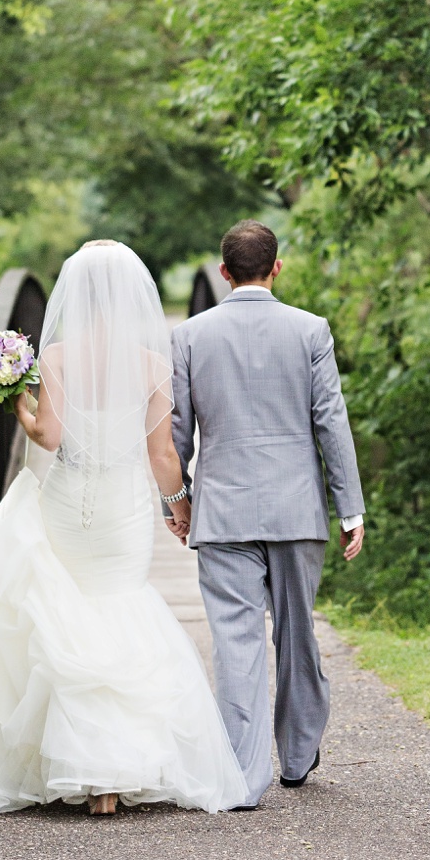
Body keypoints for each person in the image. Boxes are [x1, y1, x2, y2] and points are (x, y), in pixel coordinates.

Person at [0, 240, 248, 817]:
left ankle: (82, 766)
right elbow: (163, 455)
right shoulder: (153, 363)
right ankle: (112, 779)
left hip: (70, 500)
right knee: (120, 607)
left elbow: (47, 436)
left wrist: (17, 399)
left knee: (69, 613)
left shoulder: (61, 358)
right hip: (124, 506)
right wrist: (179, 507)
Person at [168, 220, 365, 809]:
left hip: (223, 511)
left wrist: (177, 503)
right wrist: (349, 506)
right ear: (276, 268)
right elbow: (331, 420)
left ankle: (243, 775)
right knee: (297, 632)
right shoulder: (310, 331)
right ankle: (299, 755)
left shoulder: (189, 336)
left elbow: (177, 430)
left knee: (236, 644)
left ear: (224, 272)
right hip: (295, 508)